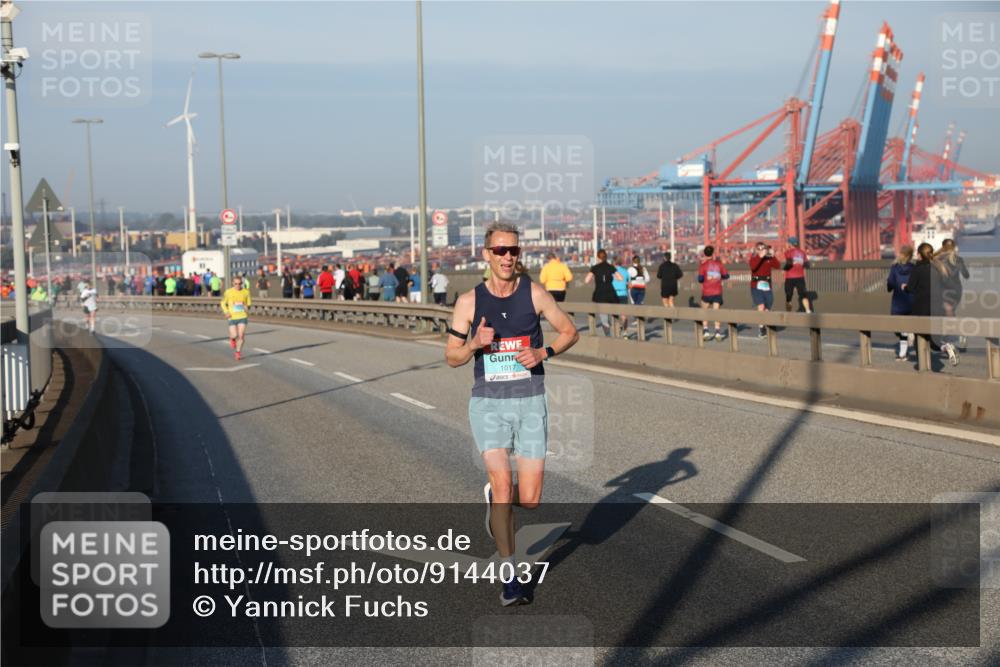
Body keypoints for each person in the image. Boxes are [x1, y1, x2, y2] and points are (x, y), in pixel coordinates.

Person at [445, 221, 579, 607]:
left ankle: (495, 502)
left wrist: (543, 353)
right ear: (486, 254)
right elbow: (451, 357)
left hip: (530, 400)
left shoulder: (534, 294)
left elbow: (569, 331)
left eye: (513, 250)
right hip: (488, 402)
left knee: (532, 498)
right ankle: (510, 576)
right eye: (500, 250)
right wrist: (473, 344)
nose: (507, 257)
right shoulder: (469, 302)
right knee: (504, 487)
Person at [905, 242, 958, 366]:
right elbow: (948, 285)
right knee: (935, 340)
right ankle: (946, 347)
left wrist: (904, 287)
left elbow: (911, 288)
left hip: (921, 310)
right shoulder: (938, 268)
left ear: (919, 255)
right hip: (937, 309)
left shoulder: (917, 269)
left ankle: (923, 366)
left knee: (920, 338)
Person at [936, 239, 970, 349]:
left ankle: (951, 338)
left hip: (944, 290)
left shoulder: (938, 260)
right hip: (956, 290)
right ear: (954, 247)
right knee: (949, 313)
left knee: (948, 313)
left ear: (943, 247)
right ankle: (957, 335)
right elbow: (966, 275)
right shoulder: (958, 259)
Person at [887, 245, 915, 361]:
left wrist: (889, 287)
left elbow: (890, 283)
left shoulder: (894, 268)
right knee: (908, 326)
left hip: (898, 302)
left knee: (899, 327)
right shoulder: (914, 268)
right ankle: (910, 337)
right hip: (911, 301)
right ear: (910, 256)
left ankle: (903, 354)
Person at [748, 243, 781, 338]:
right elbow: (753, 267)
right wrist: (760, 256)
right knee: (761, 306)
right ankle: (761, 328)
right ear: (756, 250)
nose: (762, 250)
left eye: (763, 248)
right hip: (756, 286)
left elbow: (778, 266)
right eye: (760, 249)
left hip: (767, 286)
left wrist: (773, 255)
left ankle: (766, 323)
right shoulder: (753, 258)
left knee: (768, 307)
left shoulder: (769, 259)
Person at [697, 245, 729, 341]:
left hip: (706, 292)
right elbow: (726, 276)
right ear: (713, 253)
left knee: (704, 312)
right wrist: (718, 277)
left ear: (705, 254)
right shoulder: (719, 265)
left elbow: (700, 279)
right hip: (717, 291)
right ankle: (718, 333)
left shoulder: (703, 265)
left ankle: (706, 331)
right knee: (716, 313)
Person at [585, 249, 619, 336]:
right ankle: (615, 332)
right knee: (613, 314)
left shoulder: (595, 268)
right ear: (606, 257)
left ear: (597, 257)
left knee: (604, 317)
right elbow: (620, 278)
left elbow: (586, 280)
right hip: (611, 293)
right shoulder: (611, 267)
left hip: (600, 294)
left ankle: (608, 335)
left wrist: (595, 277)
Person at [220, 274, 252, 361]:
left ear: (242, 283)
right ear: (232, 283)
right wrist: (226, 312)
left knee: (241, 336)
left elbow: (248, 304)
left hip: (242, 316)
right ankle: (232, 338)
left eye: (239, 283)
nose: (238, 285)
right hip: (232, 316)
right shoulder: (228, 292)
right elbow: (223, 303)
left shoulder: (246, 292)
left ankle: (238, 352)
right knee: (234, 335)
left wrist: (246, 307)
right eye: (236, 284)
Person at [782, 236, 812, 313]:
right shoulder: (802, 253)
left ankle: (788, 313)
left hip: (790, 277)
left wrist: (783, 270)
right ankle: (808, 310)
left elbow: (789, 264)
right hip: (800, 277)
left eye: (788, 243)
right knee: (803, 295)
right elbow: (807, 265)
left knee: (789, 297)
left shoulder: (788, 252)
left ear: (790, 244)